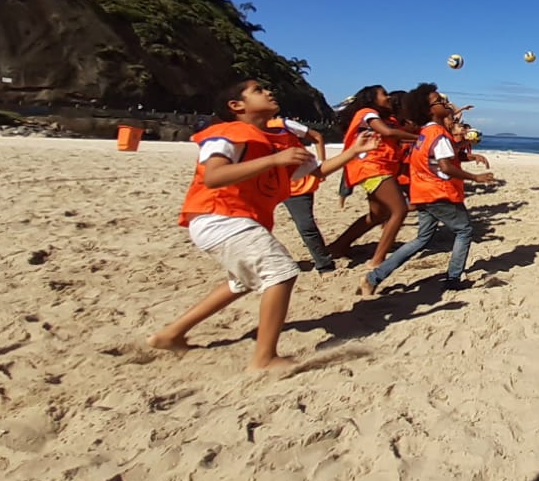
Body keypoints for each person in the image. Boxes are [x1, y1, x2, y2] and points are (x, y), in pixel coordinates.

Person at [147, 79, 377, 370]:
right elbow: (214, 177)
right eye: (258, 90)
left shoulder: (276, 141)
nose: (269, 91)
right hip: (218, 216)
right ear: (236, 106)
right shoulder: (227, 133)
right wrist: (274, 160)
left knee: (239, 284)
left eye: (268, 88)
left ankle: (171, 334)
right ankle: (264, 358)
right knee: (281, 273)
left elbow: (314, 174)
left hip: (233, 220)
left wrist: (353, 152)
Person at [360, 86, 497, 296]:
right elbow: (445, 167)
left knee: (421, 239)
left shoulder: (424, 133)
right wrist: (475, 177)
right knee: (464, 230)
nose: (444, 102)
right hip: (439, 193)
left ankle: (373, 277)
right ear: (429, 110)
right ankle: (453, 278)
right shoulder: (438, 134)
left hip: (424, 193)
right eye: (438, 101)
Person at [326, 86, 422, 268]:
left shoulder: (390, 119)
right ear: (371, 98)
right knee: (399, 210)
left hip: (381, 169)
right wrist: (422, 138)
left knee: (378, 215)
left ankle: (338, 246)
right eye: (383, 94)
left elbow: (401, 132)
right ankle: (377, 260)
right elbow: (388, 133)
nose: (387, 97)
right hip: (370, 168)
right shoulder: (367, 112)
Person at [267, 115, 336, 273]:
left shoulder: (283, 124)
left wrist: (321, 163)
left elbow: (317, 136)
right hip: (267, 184)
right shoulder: (244, 131)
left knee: (306, 225)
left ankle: (324, 265)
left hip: (296, 184)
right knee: (253, 225)